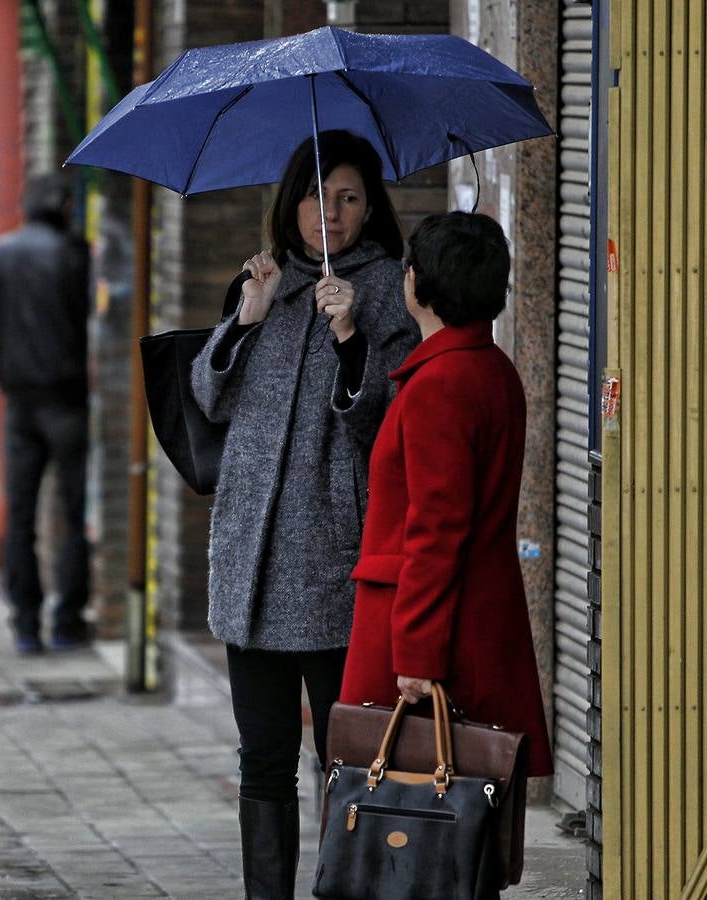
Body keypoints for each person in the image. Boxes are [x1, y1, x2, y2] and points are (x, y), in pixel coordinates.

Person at [189, 130, 419, 899]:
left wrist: (350, 335)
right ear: (292, 203)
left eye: (350, 198)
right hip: (250, 550)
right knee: (262, 755)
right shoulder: (262, 279)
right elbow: (207, 398)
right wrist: (246, 318)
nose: (332, 214)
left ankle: (344, 889)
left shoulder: (386, 287)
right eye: (319, 197)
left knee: (346, 756)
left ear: (369, 207)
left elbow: (381, 422)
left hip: (332, 552)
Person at [338, 212, 554, 785]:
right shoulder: (491, 369)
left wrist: (415, 656)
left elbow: (438, 527)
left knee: (409, 814)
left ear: (417, 282)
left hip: (428, 626)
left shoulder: (440, 383)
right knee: (457, 816)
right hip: (473, 614)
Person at [0, 172, 92, 655]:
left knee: (20, 515)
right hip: (66, 398)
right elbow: (92, 319)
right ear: (64, 206)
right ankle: (67, 620)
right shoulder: (73, 254)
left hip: (19, 401)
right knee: (76, 509)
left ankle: (25, 622)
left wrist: (13, 357)